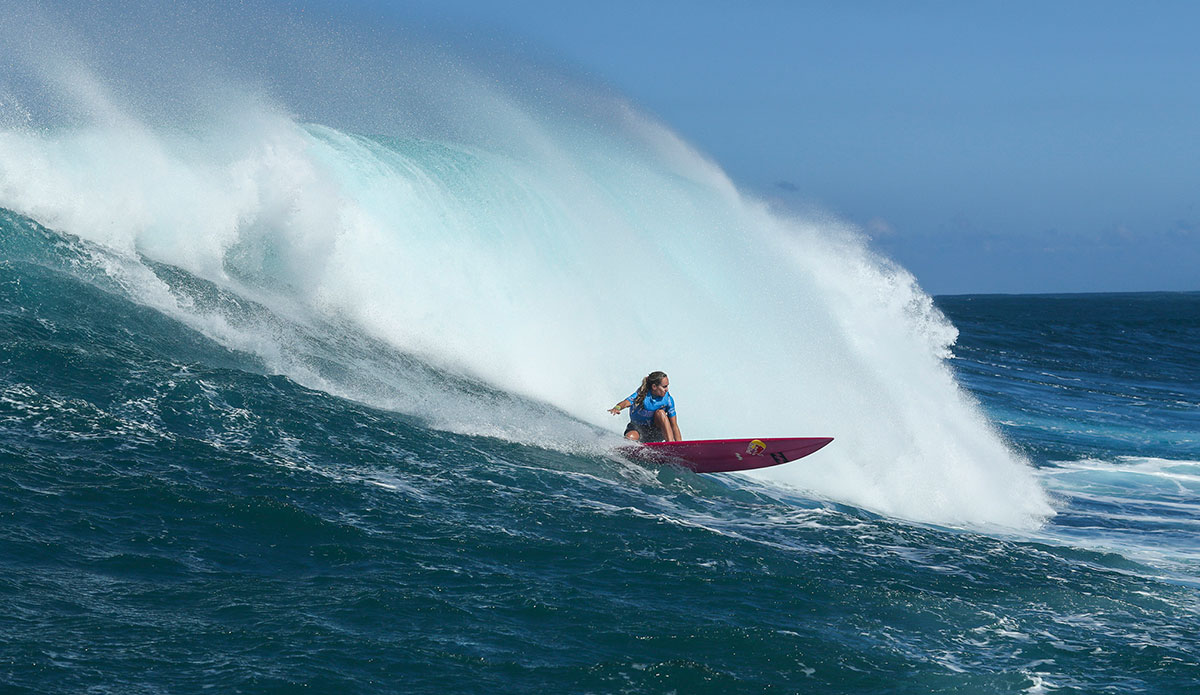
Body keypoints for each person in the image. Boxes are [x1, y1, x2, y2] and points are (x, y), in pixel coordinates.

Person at [609, 370, 682, 442]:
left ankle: (670, 444)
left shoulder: (668, 399)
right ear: (654, 386)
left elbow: (674, 425)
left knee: (661, 412)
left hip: (656, 432)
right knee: (630, 438)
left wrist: (680, 446)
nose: (667, 389)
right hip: (638, 429)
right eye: (664, 387)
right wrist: (617, 407)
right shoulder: (641, 395)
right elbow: (626, 402)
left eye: (667, 386)